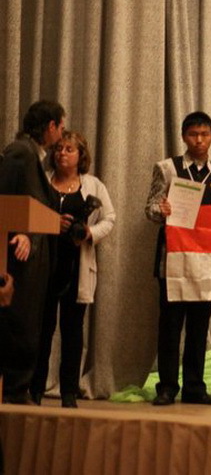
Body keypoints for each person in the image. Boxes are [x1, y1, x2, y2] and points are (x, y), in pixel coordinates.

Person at [145, 111, 211, 406]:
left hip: (206, 261)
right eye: (193, 134)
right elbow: (149, 208)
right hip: (172, 259)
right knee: (170, 326)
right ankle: (167, 387)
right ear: (184, 136)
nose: (199, 140)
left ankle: (195, 387)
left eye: (204, 134)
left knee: (199, 326)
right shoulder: (167, 168)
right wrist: (161, 210)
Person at [30, 132, 116, 408]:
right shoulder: (43, 182)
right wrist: (52, 223)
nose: (62, 153)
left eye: (69, 149)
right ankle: (35, 389)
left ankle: (69, 392)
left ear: (81, 156)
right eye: (58, 148)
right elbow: (29, 215)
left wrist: (89, 233)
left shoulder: (93, 185)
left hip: (77, 266)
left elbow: (109, 218)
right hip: (45, 265)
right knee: (42, 330)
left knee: (72, 331)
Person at [0, 100, 65, 404]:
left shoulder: (35, 157)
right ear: (50, 126)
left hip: (34, 257)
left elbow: (37, 205)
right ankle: (14, 389)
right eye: (60, 127)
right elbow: (6, 198)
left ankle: (19, 388)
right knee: (19, 325)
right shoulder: (20, 152)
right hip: (17, 257)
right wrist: (21, 232)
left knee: (29, 325)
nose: (61, 134)